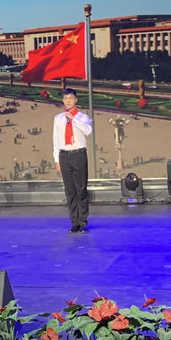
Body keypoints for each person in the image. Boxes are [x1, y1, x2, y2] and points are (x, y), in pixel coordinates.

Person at [53, 89, 93, 233]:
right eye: (65, 98)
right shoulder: (58, 118)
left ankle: (83, 222)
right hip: (64, 155)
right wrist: (57, 159)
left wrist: (73, 118)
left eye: (70, 98)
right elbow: (56, 140)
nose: (68, 101)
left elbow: (88, 131)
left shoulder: (82, 117)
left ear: (75, 100)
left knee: (81, 189)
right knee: (70, 191)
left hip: (79, 154)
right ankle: (74, 222)